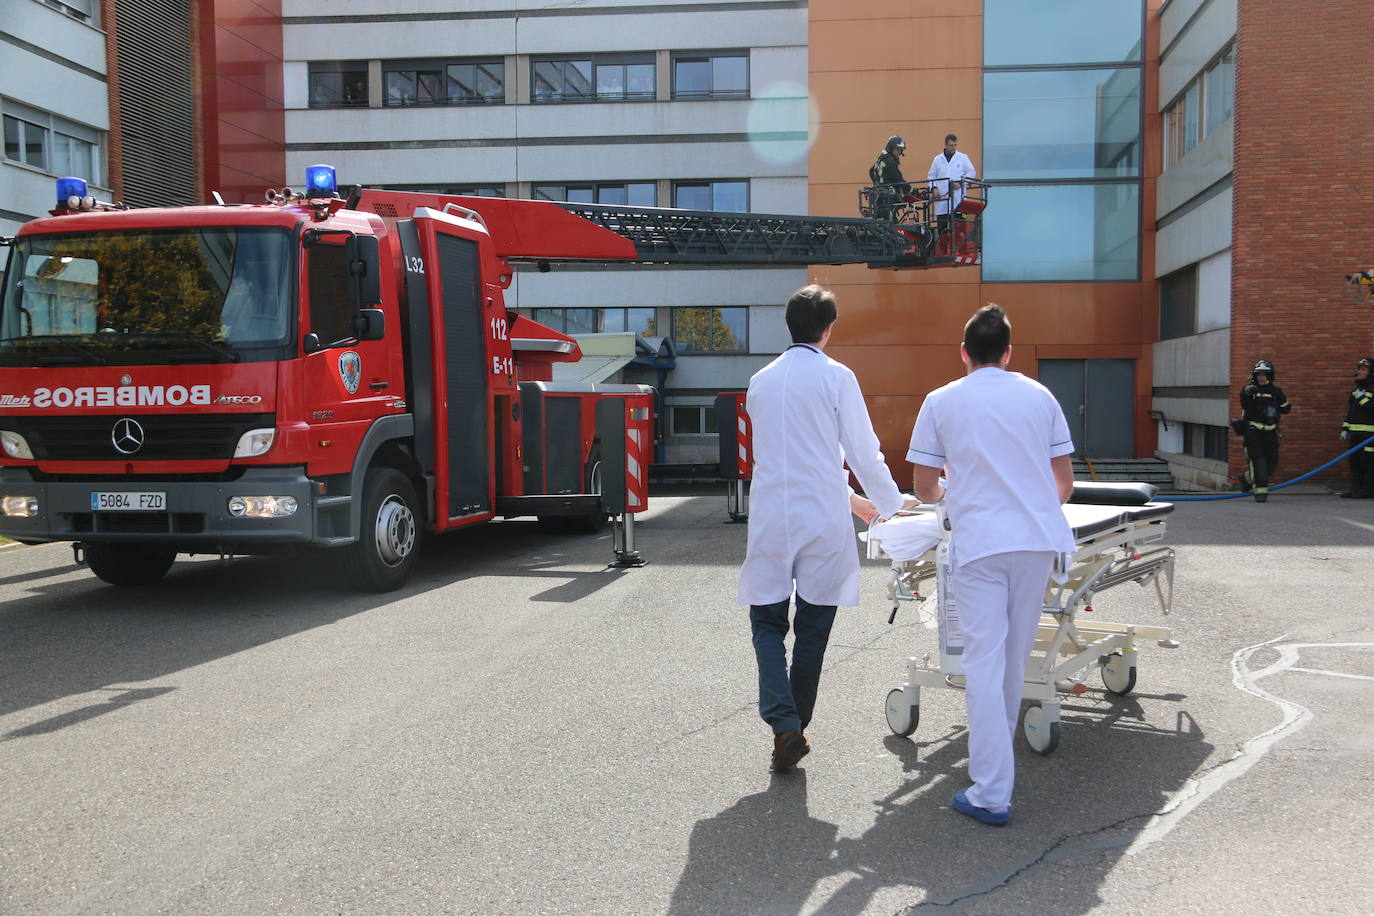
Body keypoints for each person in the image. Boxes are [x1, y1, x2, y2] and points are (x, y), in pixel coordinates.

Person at [906, 304, 1075, 825]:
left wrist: (953, 494)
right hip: (1036, 544)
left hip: (980, 547)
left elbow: (923, 486)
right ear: (1008, 352)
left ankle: (991, 792)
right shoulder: (1040, 396)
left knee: (983, 662)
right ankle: (993, 778)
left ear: (963, 353)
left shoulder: (941, 401)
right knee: (1011, 661)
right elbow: (1062, 484)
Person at [739, 284, 914, 772]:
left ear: (789, 325)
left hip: (774, 513)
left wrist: (860, 502)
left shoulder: (760, 381)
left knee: (767, 623)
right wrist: (891, 505)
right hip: (822, 516)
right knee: (813, 627)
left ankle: (785, 726)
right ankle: (795, 723)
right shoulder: (838, 377)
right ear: (829, 328)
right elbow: (861, 451)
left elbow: (787, 455)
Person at [1238, 359, 1291, 502]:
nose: (1261, 377)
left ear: (1269, 376)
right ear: (1255, 376)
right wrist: (1247, 391)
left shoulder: (1276, 391)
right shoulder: (1250, 390)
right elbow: (1243, 400)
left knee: (1272, 463)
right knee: (1258, 462)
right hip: (1253, 432)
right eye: (1259, 374)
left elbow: (1286, 408)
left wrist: (1278, 407)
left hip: (1270, 432)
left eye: (1264, 374)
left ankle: (1246, 478)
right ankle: (1260, 491)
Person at [928, 133, 977, 249]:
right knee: (942, 228)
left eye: (955, 145)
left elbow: (971, 173)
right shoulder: (937, 160)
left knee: (959, 226)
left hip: (957, 200)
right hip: (942, 200)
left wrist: (960, 183)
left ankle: (960, 249)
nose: (953, 148)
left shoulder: (963, 158)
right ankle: (943, 250)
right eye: (951, 145)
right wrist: (934, 188)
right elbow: (931, 176)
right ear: (945, 145)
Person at [1340, 357, 1374, 498]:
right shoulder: (1357, 390)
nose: (1359, 371)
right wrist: (1345, 428)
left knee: (1368, 463)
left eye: (1363, 369)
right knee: (1355, 462)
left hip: (1369, 436)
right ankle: (1355, 490)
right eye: (1359, 368)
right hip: (1355, 434)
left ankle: (1367, 491)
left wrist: (1362, 398)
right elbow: (1351, 411)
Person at [868, 136, 912, 221]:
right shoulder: (890, 162)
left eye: (900, 149)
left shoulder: (881, 158)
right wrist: (911, 190)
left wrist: (878, 184)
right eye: (897, 149)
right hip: (887, 198)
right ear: (890, 148)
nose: (899, 152)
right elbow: (899, 180)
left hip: (879, 197)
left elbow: (871, 171)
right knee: (892, 225)